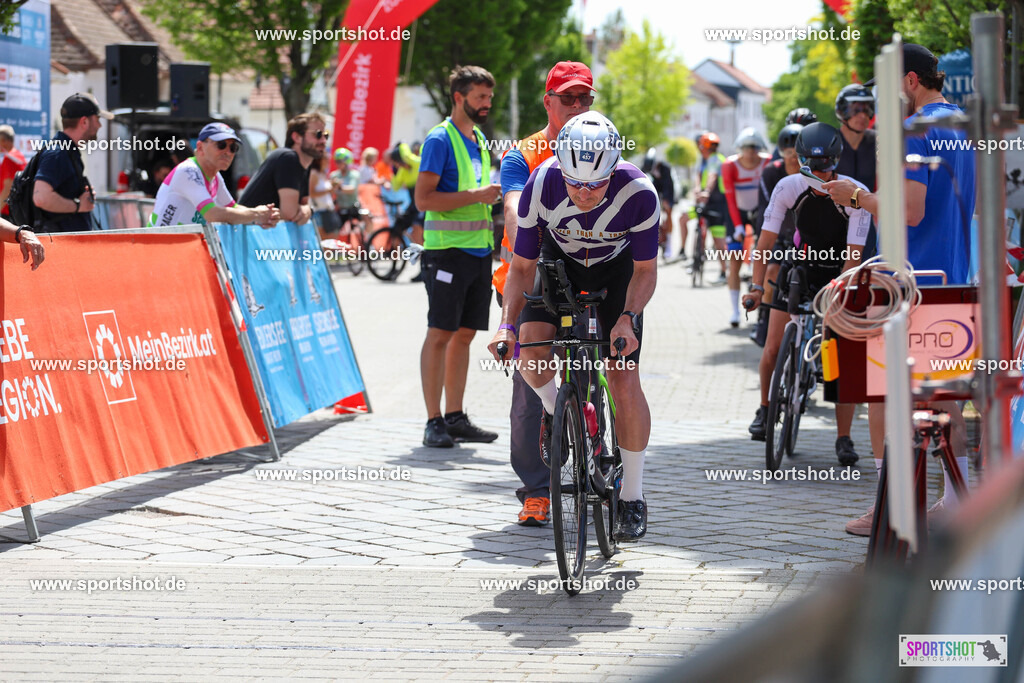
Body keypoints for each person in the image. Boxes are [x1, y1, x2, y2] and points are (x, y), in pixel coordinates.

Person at [823, 44, 976, 536]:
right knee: (945, 397)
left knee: (882, 394)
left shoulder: (916, 129)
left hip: (908, 281)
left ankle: (890, 508)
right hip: (952, 278)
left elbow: (910, 210)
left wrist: (858, 197)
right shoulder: (965, 126)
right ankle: (956, 500)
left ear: (910, 80)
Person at [488, 112, 659, 541]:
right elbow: (521, 266)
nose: (583, 193)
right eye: (574, 182)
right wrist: (506, 326)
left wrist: (628, 318)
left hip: (618, 272)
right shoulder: (542, 182)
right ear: (560, 168)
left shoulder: (639, 192)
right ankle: (555, 410)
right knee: (530, 349)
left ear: (613, 170)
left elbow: (645, 271)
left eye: (595, 185)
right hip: (557, 262)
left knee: (624, 378)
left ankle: (632, 496)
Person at [496, 60, 596, 526]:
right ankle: (536, 490)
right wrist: (528, 252)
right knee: (530, 386)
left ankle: (597, 463)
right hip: (530, 275)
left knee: (593, 371)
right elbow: (514, 207)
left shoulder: (601, 143)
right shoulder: (524, 154)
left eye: (583, 98)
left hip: (588, 274)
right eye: (567, 98)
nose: (576, 106)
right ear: (548, 102)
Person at [743, 123, 870, 467]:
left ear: (837, 161)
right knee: (773, 345)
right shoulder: (788, 186)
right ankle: (765, 408)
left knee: (841, 356)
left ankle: (843, 436)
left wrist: (838, 293)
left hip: (838, 273)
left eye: (826, 166)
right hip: (799, 267)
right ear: (800, 161)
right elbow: (765, 242)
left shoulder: (855, 192)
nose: (820, 174)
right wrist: (756, 287)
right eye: (812, 167)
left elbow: (854, 255)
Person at [415, 65, 502, 448]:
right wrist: (476, 196)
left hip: (479, 252)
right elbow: (423, 200)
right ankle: (433, 421)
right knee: (440, 334)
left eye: (489, 97)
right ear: (458, 97)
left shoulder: (479, 139)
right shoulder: (440, 139)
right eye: (480, 97)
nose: (486, 104)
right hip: (446, 253)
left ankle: (455, 416)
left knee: (464, 335)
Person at [150, 123, 278, 228]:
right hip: (158, 245)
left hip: (178, 245)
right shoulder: (188, 171)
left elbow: (233, 208)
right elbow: (212, 214)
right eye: (221, 145)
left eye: (233, 148)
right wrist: (257, 214)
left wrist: (265, 216)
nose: (228, 152)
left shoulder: (215, 177)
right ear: (200, 147)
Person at [749, 123, 803, 347]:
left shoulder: (812, 173)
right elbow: (767, 210)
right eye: (787, 152)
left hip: (805, 236)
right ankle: (765, 316)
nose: (793, 158)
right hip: (778, 233)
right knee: (772, 270)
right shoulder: (771, 172)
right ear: (780, 152)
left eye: (797, 153)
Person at [33, 93, 111, 232]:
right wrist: (78, 206)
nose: (99, 125)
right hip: (60, 243)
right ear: (84, 122)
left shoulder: (67, 151)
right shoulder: (58, 153)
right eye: (97, 119)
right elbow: (41, 197)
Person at [240, 113, 328, 226]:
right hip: (249, 231)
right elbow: (290, 214)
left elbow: (304, 204)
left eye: (326, 135)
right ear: (296, 137)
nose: (323, 140)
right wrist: (308, 210)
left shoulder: (305, 164)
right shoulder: (288, 158)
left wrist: (308, 210)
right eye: (318, 134)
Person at [721, 128, 770, 327]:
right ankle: (735, 310)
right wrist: (738, 226)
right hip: (737, 212)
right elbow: (730, 197)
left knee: (764, 257)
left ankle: (762, 307)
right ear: (740, 149)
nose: (751, 152)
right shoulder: (730, 165)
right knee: (735, 261)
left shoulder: (767, 162)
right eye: (747, 148)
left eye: (755, 148)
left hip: (760, 211)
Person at [834, 83, 878, 259]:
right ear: (841, 111)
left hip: (866, 224)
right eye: (855, 109)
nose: (862, 115)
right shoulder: (829, 141)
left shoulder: (878, 141)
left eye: (867, 109)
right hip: (832, 223)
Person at [694, 132, 729, 284]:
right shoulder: (705, 160)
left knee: (718, 239)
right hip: (707, 201)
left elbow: (712, 176)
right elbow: (699, 175)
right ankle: (697, 257)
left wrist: (706, 191)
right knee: (693, 223)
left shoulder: (716, 159)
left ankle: (724, 272)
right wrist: (697, 190)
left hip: (717, 202)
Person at [388, 142, 425, 280]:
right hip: (413, 206)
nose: (399, 165)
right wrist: (395, 171)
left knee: (417, 228)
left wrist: (405, 156)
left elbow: (406, 150)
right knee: (397, 227)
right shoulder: (403, 171)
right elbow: (395, 186)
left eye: (398, 162)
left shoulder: (416, 162)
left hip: (423, 205)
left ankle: (423, 266)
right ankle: (393, 267)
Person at [308, 155, 340, 235]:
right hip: (319, 212)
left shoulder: (323, 173)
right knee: (323, 239)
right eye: (325, 159)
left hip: (328, 210)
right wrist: (328, 190)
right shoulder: (314, 174)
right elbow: (311, 193)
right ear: (319, 160)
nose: (328, 162)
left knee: (333, 237)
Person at [650, 160, 675, 259]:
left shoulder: (665, 168)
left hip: (668, 192)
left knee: (668, 215)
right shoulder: (649, 167)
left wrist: (666, 199)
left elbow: (668, 185)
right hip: (656, 191)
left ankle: (669, 243)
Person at [0, 125, 27, 218]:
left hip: (8, 212)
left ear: (4, 141)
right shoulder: (19, 155)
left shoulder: (9, 159)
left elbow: (7, 189)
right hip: (17, 210)